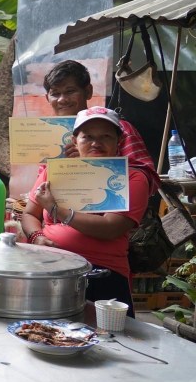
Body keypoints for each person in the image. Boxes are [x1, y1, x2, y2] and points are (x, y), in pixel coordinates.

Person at [22, 107, 148, 316]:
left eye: (105, 136)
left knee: (110, 341)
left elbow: (110, 228)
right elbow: (29, 214)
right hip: (50, 267)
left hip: (102, 274)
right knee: (45, 332)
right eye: (87, 136)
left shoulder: (132, 178)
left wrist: (56, 210)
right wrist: (36, 236)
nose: (96, 143)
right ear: (75, 140)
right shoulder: (56, 171)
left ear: (119, 140)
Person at [43, 59, 159, 190]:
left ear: (88, 91)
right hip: (60, 207)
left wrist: (95, 160)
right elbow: (41, 186)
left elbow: (149, 180)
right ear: (47, 98)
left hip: (111, 208)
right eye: (55, 94)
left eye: (70, 91)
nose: (62, 99)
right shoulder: (49, 138)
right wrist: (61, 166)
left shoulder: (120, 128)